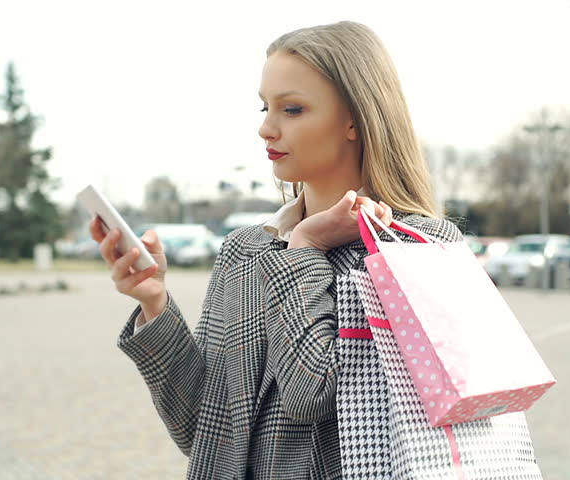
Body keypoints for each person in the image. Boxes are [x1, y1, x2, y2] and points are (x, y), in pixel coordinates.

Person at [89, 21, 463, 480]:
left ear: (355, 119)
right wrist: (154, 302)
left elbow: (311, 396)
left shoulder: (415, 247)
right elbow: (203, 433)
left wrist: (306, 246)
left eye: (292, 108)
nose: (266, 128)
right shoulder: (245, 251)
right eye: (265, 107)